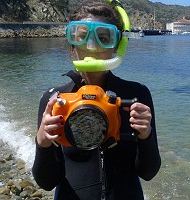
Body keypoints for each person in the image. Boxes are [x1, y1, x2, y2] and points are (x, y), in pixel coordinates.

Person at [32, 0, 161, 199]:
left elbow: (148, 173)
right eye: (82, 37)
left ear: (118, 44)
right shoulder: (55, 100)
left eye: (103, 38)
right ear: (72, 42)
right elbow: (46, 182)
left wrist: (146, 135)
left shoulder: (136, 96)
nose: (91, 46)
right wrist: (42, 142)